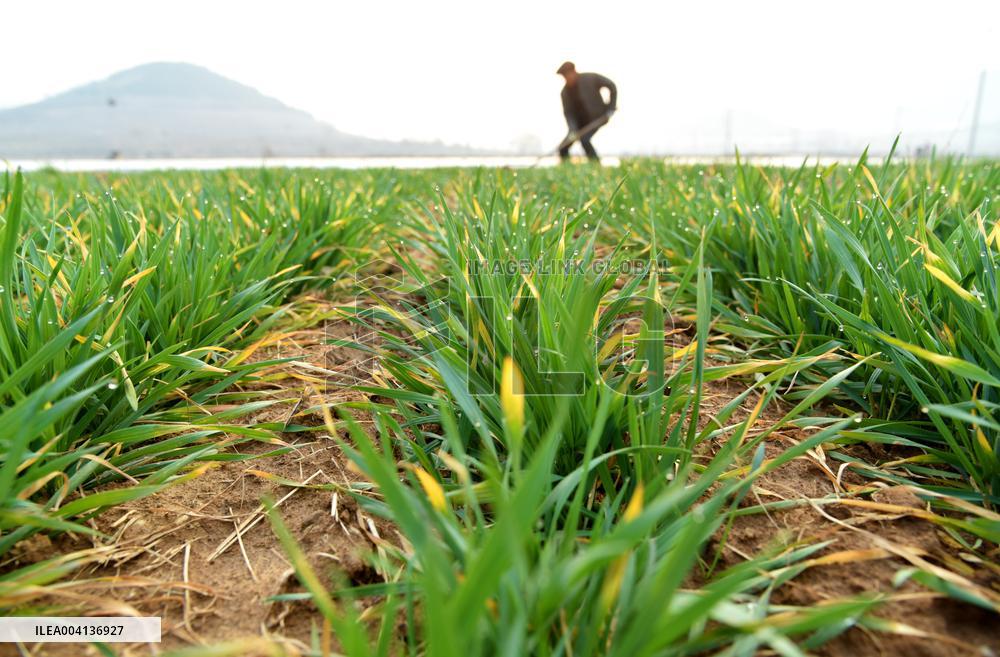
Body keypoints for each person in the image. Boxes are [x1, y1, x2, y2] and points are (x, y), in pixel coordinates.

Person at [556, 61, 617, 162]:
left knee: (585, 140)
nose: (567, 79)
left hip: (598, 117)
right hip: (578, 125)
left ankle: (595, 164)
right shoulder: (564, 93)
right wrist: (573, 129)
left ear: (574, 71)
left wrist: (611, 107)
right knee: (563, 147)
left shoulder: (590, 78)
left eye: (567, 75)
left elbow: (611, 85)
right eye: (564, 77)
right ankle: (566, 167)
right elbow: (568, 113)